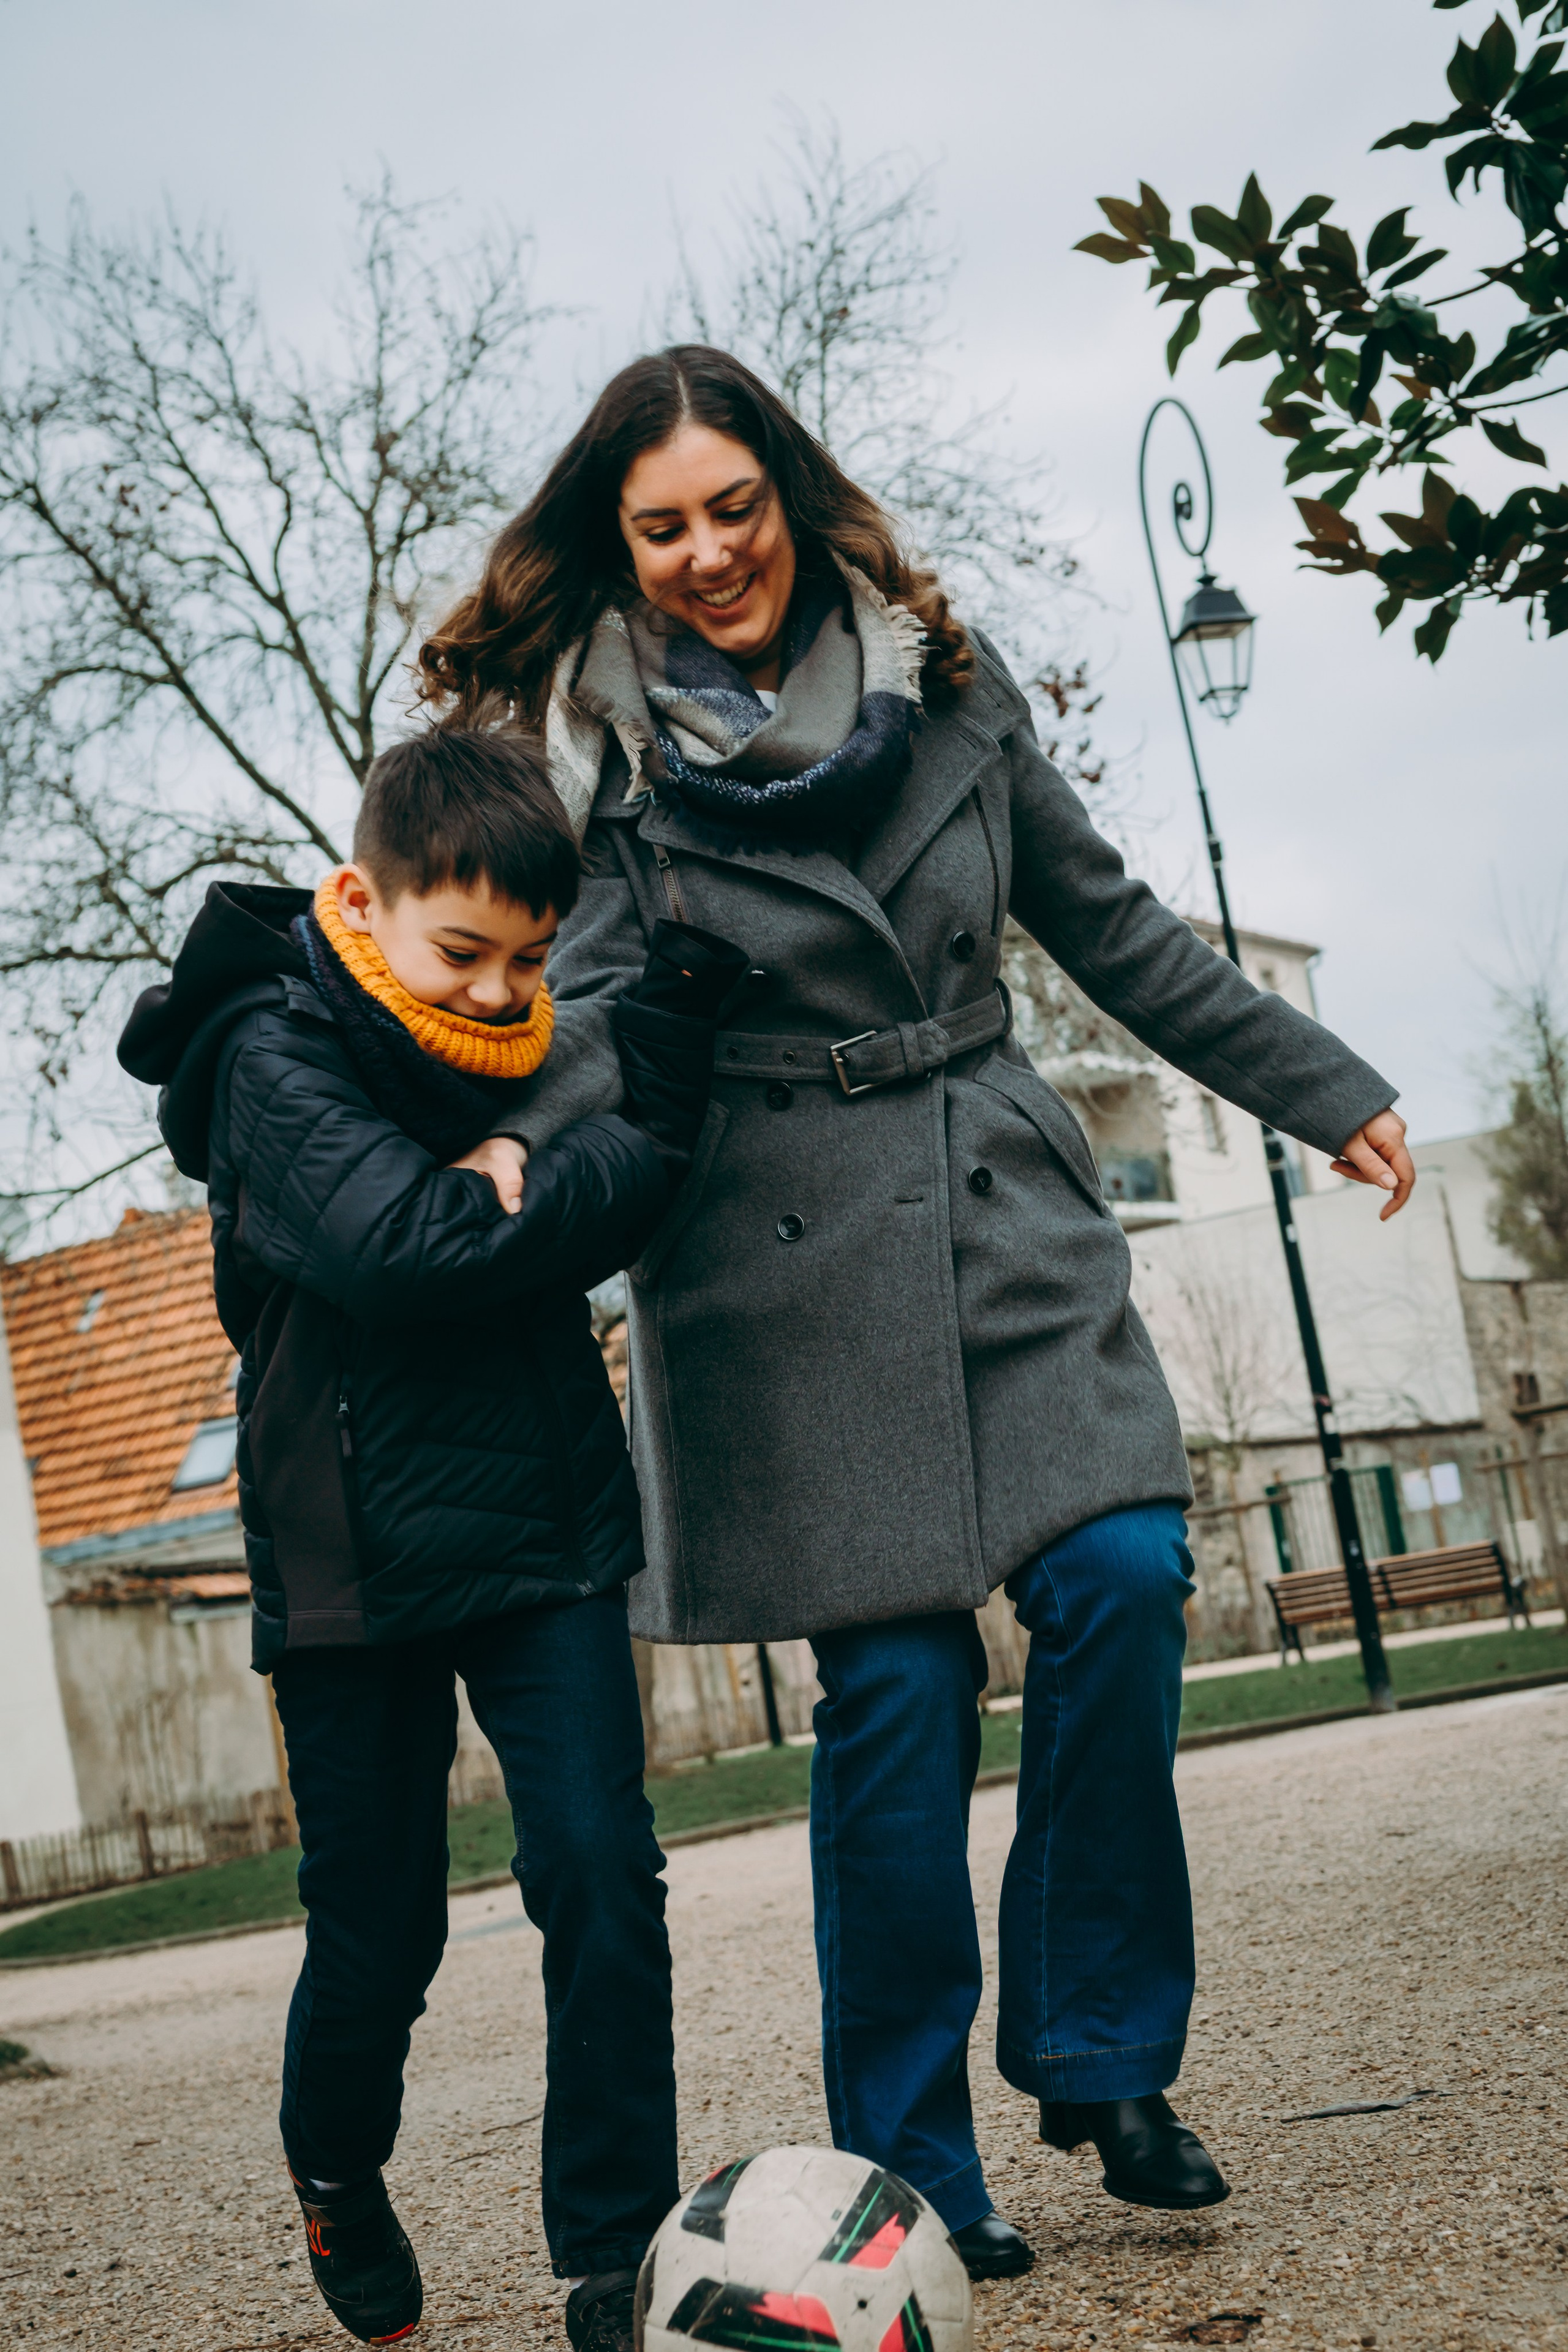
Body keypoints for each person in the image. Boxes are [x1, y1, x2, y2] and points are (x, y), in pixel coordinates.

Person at [417, 348, 1417, 2278]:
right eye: (663, 527)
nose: (709, 553)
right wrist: (489, 1156)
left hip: (993, 1208)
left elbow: (1113, 928)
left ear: (791, 494)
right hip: (773, 1271)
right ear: (615, 548)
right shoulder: (596, 769)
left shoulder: (947, 687)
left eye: (735, 507)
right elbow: (588, 1024)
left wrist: (1326, 1083)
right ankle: (909, 2162)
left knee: (1124, 1576)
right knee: (894, 1698)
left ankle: (1101, 2053)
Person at [118, 725, 745, 2352]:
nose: (495, 993)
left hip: (542, 1514)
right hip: (349, 1552)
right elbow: (400, 1251)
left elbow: (660, 1153)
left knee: (603, 1876)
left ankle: (614, 2249)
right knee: (380, 1925)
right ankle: (335, 2162)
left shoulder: (533, 1040)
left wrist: (529, 1156)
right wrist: (537, 1181)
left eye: (527, 960)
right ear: (368, 899)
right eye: (461, 952)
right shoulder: (265, 1051)